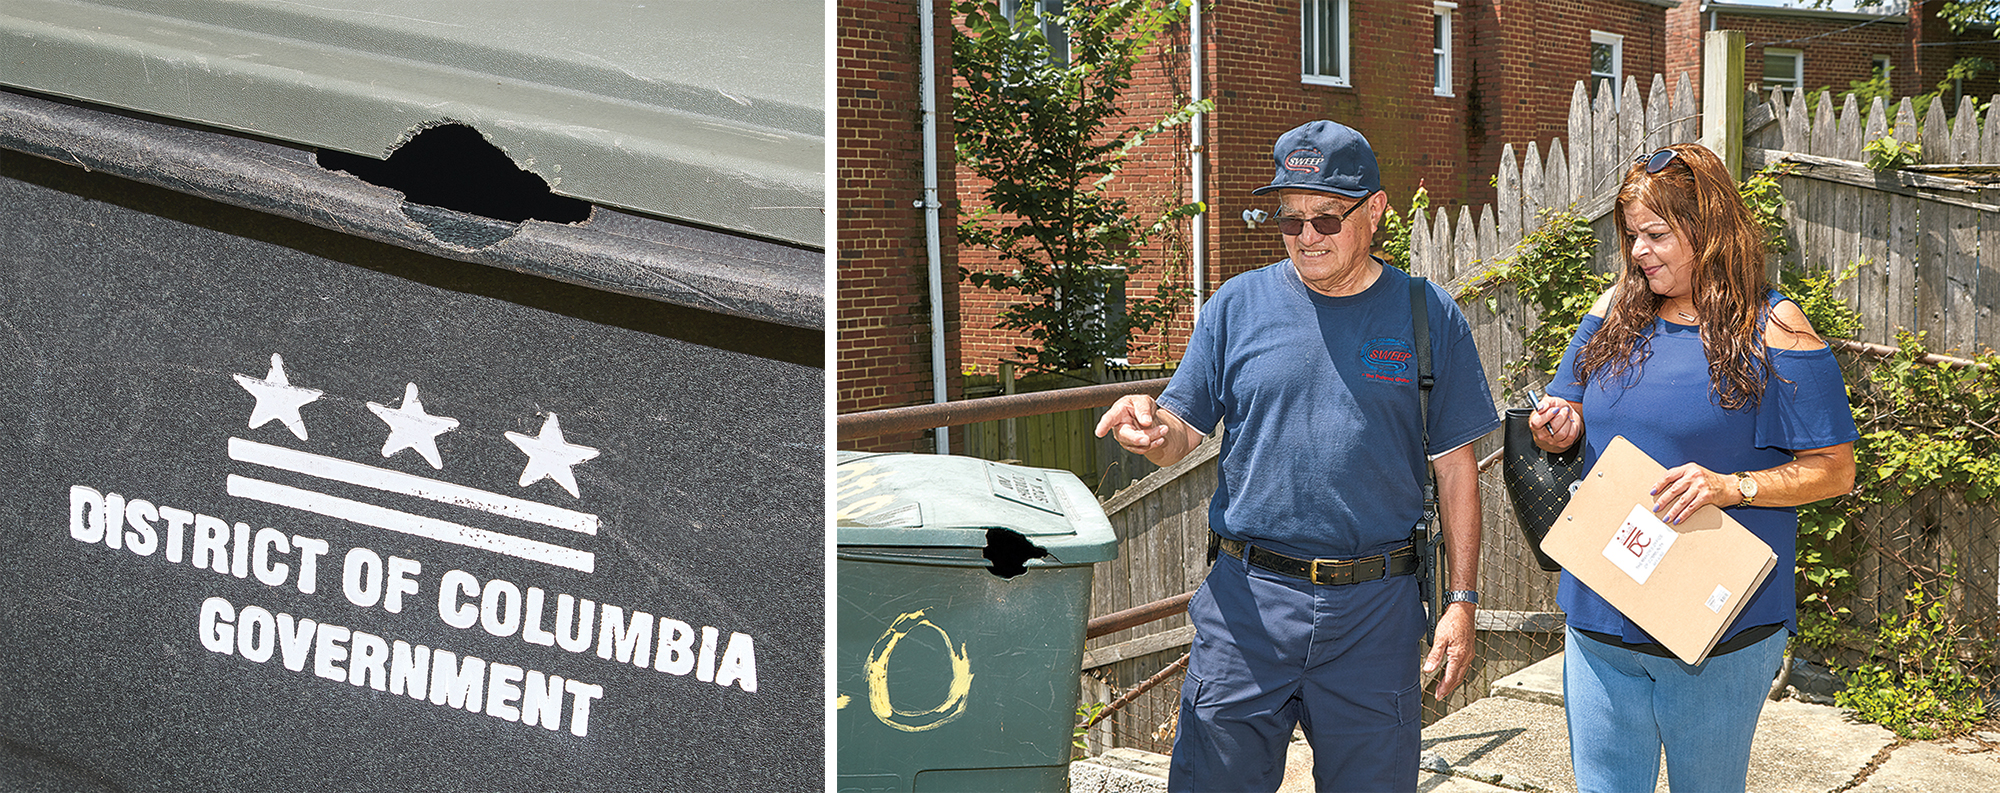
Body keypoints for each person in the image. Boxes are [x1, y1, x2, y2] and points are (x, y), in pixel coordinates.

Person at [1095, 120, 1499, 793]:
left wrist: (1461, 601)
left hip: (1374, 614)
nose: (1308, 236)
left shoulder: (1428, 316)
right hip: (1246, 609)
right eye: (1290, 220)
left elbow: (1458, 470)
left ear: (1373, 210)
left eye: (1326, 218)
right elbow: (1179, 432)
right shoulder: (1236, 306)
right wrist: (1149, 426)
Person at [1528, 142, 1859, 793]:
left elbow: (1834, 469)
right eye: (1632, 236)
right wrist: (1558, 425)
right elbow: (1565, 406)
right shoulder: (1612, 310)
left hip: (1717, 631)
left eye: (1656, 234)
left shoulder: (1774, 327)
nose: (1639, 252)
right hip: (1601, 610)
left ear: (1707, 228)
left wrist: (1731, 485)